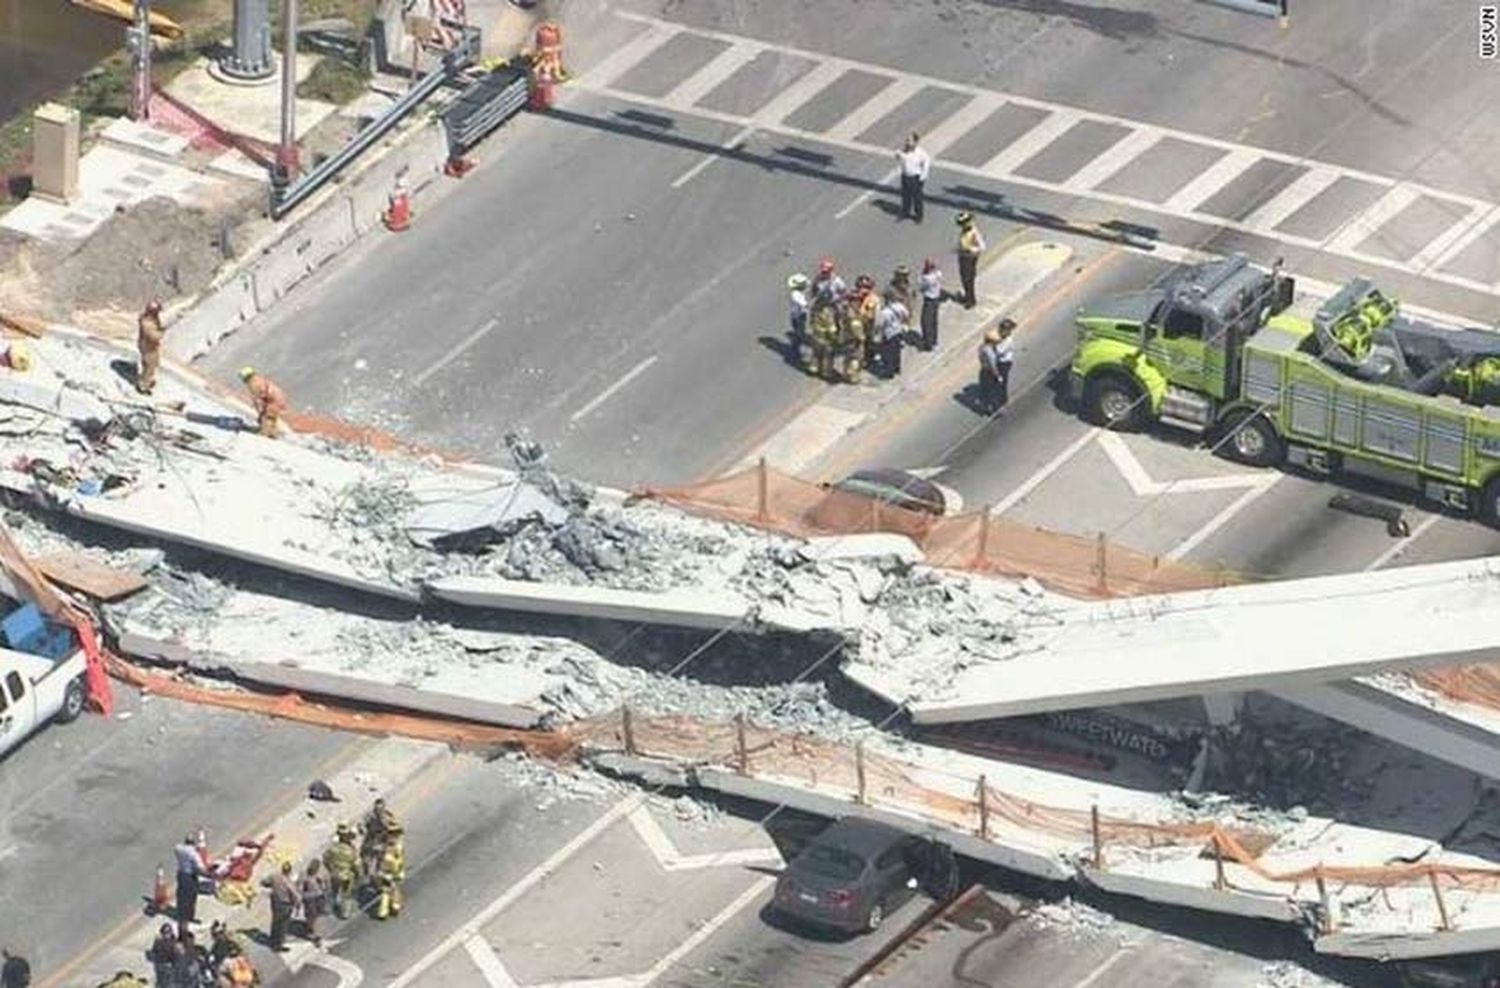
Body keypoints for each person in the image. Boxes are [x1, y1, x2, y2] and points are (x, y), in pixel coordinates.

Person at [323, 823, 361, 920]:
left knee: (334, 891)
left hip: (334, 874)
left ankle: (334, 905)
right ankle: (345, 913)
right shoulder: (351, 850)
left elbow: (325, 860)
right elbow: (356, 864)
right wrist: (359, 875)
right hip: (346, 876)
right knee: (346, 894)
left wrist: (330, 870)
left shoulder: (332, 848)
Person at [977, 319, 1016, 411]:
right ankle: (995, 403)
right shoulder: (989, 347)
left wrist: (995, 344)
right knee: (995, 384)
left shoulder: (1008, 340)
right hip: (995, 364)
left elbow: (1000, 352)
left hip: (1004, 363)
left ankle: (1002, 401)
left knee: (1001, 383)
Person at [238, 367, 287, 439]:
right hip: (278, 397)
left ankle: (266, 433)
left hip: (274, 400)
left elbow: (258, 400)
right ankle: (272, 432)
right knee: (271, 416)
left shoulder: (253, 384)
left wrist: (260, 412)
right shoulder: (259, 379)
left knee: (267, 417)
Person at [372, 823, 406, 921]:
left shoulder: (398, 845)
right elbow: (379, 862)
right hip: (386, 872)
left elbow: (401, 859)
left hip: (394, 870)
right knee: (387, 891)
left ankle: (394, 906)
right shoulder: (384, 848)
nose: (394, 836)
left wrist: (401, 870)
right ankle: (385, 911)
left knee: (393, 888)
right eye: (392, 833)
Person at [264, 861, 301, 952]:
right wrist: (297, 907)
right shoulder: (289, 883)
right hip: (285, 905)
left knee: (275, 922)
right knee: (282, 926)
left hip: (275, 902)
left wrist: (273, 886)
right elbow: (297, 897)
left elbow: (264, 882)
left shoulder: (274, 876)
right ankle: (278, 945)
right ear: (289, 871)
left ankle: (273, 940)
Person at [173, 833, 206, 929]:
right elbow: (201, 867)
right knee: (191, 897)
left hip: (181, 874)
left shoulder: (179, 849)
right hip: (190, 876)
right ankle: (188, 917)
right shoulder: (193, 853)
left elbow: (177, 847)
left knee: (181, 895)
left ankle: (180, 913)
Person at [896, 132, 931, 222]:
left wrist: (923, 176)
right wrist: (899, 154)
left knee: (917, 198)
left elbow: (927, 162)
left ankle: (918, 216)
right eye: (907, 140)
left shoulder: (920, 153)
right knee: (905, 196)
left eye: (909, 140)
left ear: (915, 142)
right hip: (905, 176)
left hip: (915, 178)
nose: (907, 142)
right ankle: (905, 212)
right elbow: (898, 157)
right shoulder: (903, 151)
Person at [874, 293, 910, 379]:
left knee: (888, 353)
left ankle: (889, 372)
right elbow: (907, 315)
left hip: (888, 334)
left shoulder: (884, 312)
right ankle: (897, 368)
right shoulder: (899, 306)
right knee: (896, 351)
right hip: (898, 331)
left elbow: (879, 324)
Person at [956, 212, 986, 309]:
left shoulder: (974, 232)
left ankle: (971, 300)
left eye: (963, 223)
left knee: (969, 280)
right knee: (964, 278)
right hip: (963, 256)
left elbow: (982, 247)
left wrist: (971, 249)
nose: (962, 225)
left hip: (970, 258)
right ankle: (967, 296)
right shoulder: (964, 231)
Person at [136, 299, 165, 396]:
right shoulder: (147, 324)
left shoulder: (151, 320)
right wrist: (161, 332)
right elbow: (154, 337)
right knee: (149, 366)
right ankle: (143, 386)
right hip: (148, 347)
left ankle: (148, 380)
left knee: (154, 363)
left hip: (151, 347)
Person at [300, 859, 330, 945]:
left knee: (317, 915)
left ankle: (315, 931)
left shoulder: (322, 874)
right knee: (312, 916)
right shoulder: (304, 875)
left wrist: (325, 891)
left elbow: (327, 884)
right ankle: (315, 933)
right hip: (310, 899)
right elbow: (299, 888)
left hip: (319, 897)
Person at [786, 273, 810, 369]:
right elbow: (803, 304)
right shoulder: (796, 295)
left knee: (799, 333)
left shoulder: (798, 293)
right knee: (800, 334)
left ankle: (796, 350)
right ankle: (796, 353)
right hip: (798, 316)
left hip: (797, 315)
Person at [919, 258, 943, 352]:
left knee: (925, 322)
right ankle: (934, 341)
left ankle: (928, 344)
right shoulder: (938, 274)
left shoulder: (927, 278)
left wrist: (924, 273)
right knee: (933, 321)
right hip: (936, 299)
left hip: (929, 300)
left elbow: (921, 287)